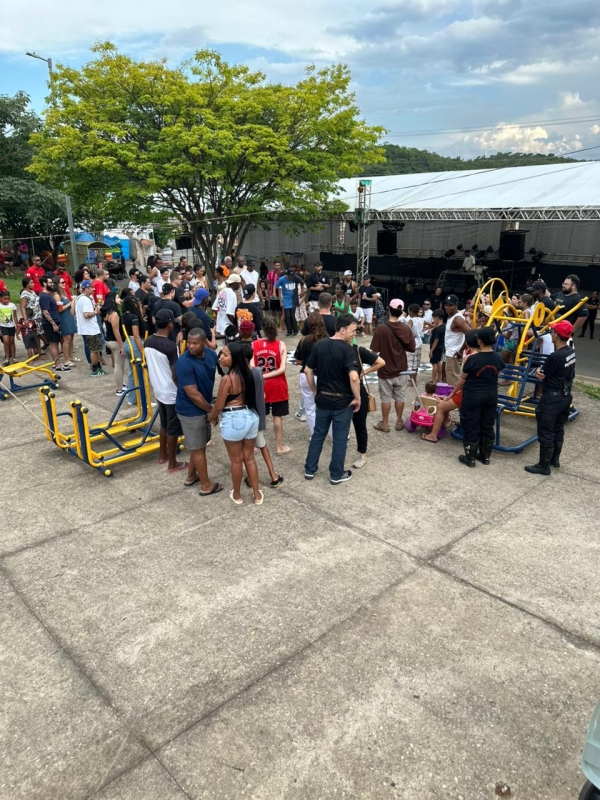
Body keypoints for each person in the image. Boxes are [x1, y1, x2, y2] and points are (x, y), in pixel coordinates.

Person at [303, 314, 361, 484]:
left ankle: (310, 469)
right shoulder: (347, 349)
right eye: (352, 331)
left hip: (323, 399)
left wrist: (315, 391)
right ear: (342, 330)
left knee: (318, 435)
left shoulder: (320, 345)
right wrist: (358, 398)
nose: (354, 334)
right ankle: (336, 474)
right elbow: (354, 377)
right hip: (342, 402)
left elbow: (307, 370)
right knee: (340, 439)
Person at [208, 343, 264, 505]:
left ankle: (237, 495)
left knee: (236, 460)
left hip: (234, 419)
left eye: (225, 355)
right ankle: (256, 494)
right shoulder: (249, 374)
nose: (221, 358)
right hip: (251, 417)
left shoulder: (227, 379)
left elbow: (218, 405)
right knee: (250, 458)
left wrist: (211, 417)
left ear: (235, 358)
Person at [174, 328, 223, 495]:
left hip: (203, 406)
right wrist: (212, 412)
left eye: (195, 343)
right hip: (190, 410)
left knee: (200, 444)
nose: (191, 346)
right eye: (189, 342)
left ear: (204, 343)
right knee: (197, 448)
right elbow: (193, 395)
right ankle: (206, 486)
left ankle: (191, 476)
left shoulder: (210, 354)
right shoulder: (184, 362)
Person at [524, 320, 576, 475]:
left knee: (546, 430)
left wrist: (540, 372)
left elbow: (541, 374)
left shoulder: (555, 356)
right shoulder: (570, 352)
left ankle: (543, 465)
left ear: (556, 335)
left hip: (552, 398)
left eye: (553, 332)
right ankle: (555, 459)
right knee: (558, 428)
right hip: (565, 396)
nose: (551, 334)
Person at [143, 309, 188, 474]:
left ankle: (163, 456)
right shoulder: (170, 346)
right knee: (173, 429)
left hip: (159, 390)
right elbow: (175, 373)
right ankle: (173, 464)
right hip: (171, 392)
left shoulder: (147, 341)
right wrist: (182, 390)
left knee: (164, 425)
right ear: (170, 324)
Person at [451, 327, 503, 467]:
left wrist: (452, 393)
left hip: (473, 395)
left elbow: (462, 380)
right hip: (491, 395)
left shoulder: (472, 359)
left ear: (479, 341)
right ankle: (485, 456)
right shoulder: (499, 357)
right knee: (487, 424)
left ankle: (470, 457)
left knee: (471, 424)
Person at [422, 329, 480, 444]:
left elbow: (463, 380)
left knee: (441, 407)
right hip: (480, 392)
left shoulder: (469, 357)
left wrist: (453, 393)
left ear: (467, 342)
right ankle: (447, 422)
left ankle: (433, 435)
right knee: (447, 402)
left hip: (468, 392)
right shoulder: (485, 354)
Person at [239, 343, 284, 488]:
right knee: (262, 445)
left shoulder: (236, 375)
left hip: (243, 418)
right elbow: (262, 393)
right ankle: (273, 475)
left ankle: (251, 479)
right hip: (257, 417)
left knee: (247, 451)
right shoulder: (258, 371)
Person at [370, 299, 415, 433]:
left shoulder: (381, 328)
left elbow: (374, 351)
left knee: (385, 397)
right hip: (401, 368)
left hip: (385, 369)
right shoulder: (406, 328)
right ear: (401, 312)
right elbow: (411, 348)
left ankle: (385, 423)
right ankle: (399, 421)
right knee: (400, 397)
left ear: (389, 310)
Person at [252, 317, 291, 455]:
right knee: (277, 416)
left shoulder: (254, 344)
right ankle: (279, 446)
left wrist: (261, 376)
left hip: (260, 386)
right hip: (277, 385)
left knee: (258, 415)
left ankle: (255, 445)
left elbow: (251, 366)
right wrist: (269, 374)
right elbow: (281, 369)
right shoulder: (281, 345)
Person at [351, 339, 385, 470]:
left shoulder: (358, 349)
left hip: (359, 393)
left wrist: (364, 372)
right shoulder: (335, 347)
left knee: (360, 425)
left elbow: (381, 362)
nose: (354, 333)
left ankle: (363, 454)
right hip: (343, 393)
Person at [294, 312, 329, 435]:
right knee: (328, 406)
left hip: (306, 375)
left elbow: (298, 360)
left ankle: (315, 435)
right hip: (324, 376)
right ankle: (335, 432)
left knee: (310, 408)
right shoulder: (328, 340)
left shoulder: (304, 341)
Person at [39, 275, 70, 372]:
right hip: (49, 324)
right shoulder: (44, 296)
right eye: (50, 283)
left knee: (57, 342)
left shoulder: (50, 294)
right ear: (44, 283)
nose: (52, 284)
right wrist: (53, 324)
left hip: (55, 321)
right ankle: (57, 365)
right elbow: (45, 312)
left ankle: (57, 363)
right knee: (54, 344)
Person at [75, 280, 105, 376]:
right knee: (94, 350)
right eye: (91, 287)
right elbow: (86, 314)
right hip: (90, 329)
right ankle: (95, 369)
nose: (93, 289)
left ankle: (98, 368)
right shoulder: (85, 300)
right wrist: (95, 312)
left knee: (95, 349)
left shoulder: (80, 298)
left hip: (87, 329)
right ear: (86, 288)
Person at [121, 294, 145, 406]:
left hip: (127, 343)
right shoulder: (134, 317)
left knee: (132, 372)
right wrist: (143, 351)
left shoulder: (123, 316)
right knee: (141, 373)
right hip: (135, 344)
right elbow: (136, 336)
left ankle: (132, 399)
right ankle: (143, 400)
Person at [101, 293, 127, 396]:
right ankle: (119, 389)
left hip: (108, 340)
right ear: (112, 299)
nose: (119, 299)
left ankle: (121, 384)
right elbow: (116, 332)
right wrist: (122, 346)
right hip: (115, 341)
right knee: (119, 366)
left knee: (118, 365)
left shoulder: (106, 312)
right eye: (117, 297)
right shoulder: (114, 314)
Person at [443, 294, 471, 385]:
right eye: (446, 305)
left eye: (451, 305)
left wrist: (460, 350)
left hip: (454, 355)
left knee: (453, 382)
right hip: (451, 353)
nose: (448, 307)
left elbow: (470, 334)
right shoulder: (451, 317)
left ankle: (456, 399)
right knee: (452, 380)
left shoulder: (457, 319)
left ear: (456, 305)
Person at [54, 276, 76, 367]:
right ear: (57, 284)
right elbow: (60, 309)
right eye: (61, 283)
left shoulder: (64, 292)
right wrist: (70, 303)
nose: (64, 284)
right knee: (66, 338)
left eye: (64, 282)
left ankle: (70, 356)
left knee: (71, 337)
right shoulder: (56, 295)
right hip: (63, 317)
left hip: (69, 316)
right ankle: (66, 359)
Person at [275, 266, 303, 336]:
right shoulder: (282, 279)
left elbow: (302, 282)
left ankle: (295, 330)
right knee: (287, 316)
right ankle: (289, 331)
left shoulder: (296, 277)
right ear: (287, 275)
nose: (291, 277)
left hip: (293, 299)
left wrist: (302, 291)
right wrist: (274, 294)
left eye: (292, 276)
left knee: (292, 316)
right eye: (290, 276)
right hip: (286, 300)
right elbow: (276, 286)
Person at [530, 280, 556, 355]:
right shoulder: (545, 300)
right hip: (547, 332)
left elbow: (543, 321)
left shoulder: (544, 303)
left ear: (540, 291)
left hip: (546, 333)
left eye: (534, 290)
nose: (532, 292)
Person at [19, 277, 43, 344]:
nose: (34, 284)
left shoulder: (32, 292)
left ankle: (40, 349)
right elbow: (22, 307)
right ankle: (38, 350)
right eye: (31, 283)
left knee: (39, 333)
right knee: (36, 334)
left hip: (38, 316)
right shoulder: (24, 294)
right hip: (32, 317)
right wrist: (25, 319)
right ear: (27, 285)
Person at [404, 303, 424, 380]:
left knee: (409, 363)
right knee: (415, 363)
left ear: (411, 312)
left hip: (411, 343)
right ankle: (414, 380)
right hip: (419, 342)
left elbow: (408, 329)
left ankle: (409, 380)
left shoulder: (411, 320)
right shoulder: (421, 319)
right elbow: (431, 325)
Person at [0, 291, 20, 365]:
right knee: (6, 342)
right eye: (5, 299)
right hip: (3, 326)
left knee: (12, 341)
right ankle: (7, 358)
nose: (6, 300)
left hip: (11, 326)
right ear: (1, 298)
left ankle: (14, 357)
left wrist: (17, 325)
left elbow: (15, 316)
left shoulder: (12, 305)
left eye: (8, 299)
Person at [428, 308, 445, 383]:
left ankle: (433, 379)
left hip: (436, 347)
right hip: (441, 347)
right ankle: (439, 378)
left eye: (433, 318)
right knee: (438, 362)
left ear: (437, 318)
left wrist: (431, 350)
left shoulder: (438, 329)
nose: (433, 320)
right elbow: (436, 325)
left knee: (434, 363)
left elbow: (436, 340)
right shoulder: (443, 326)